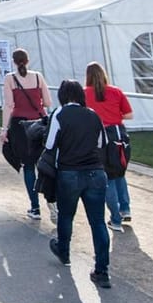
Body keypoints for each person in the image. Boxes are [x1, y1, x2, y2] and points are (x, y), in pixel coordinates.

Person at [43, 80, 112, 289]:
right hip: (95, 172)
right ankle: (102, 270)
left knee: (66, 215)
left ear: (63, 95)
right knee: (98, 222)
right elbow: (102, 143)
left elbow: (49, 144)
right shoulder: (93, 114)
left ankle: (64, 250)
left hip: (69, 171)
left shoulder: (60, 114)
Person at [1, 48, 53, 220]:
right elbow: (47, 102)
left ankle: (35, 207)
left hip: (20, 125)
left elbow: (9, 105)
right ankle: (52, 201)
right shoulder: (38, 77)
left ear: (14, 62)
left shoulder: (10, 79)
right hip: (39, 122)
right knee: (44, 164)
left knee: (28, 166)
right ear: (28, 60)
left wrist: (4, 128)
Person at [85, 62, 134, 233]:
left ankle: (115, 217)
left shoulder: (85, 94)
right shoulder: (116, 91)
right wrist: (113, 114)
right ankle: (125, 208)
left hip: (99, 137)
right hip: (119, 135)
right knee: (119, 171)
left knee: (107, 178)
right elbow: (129, 114)